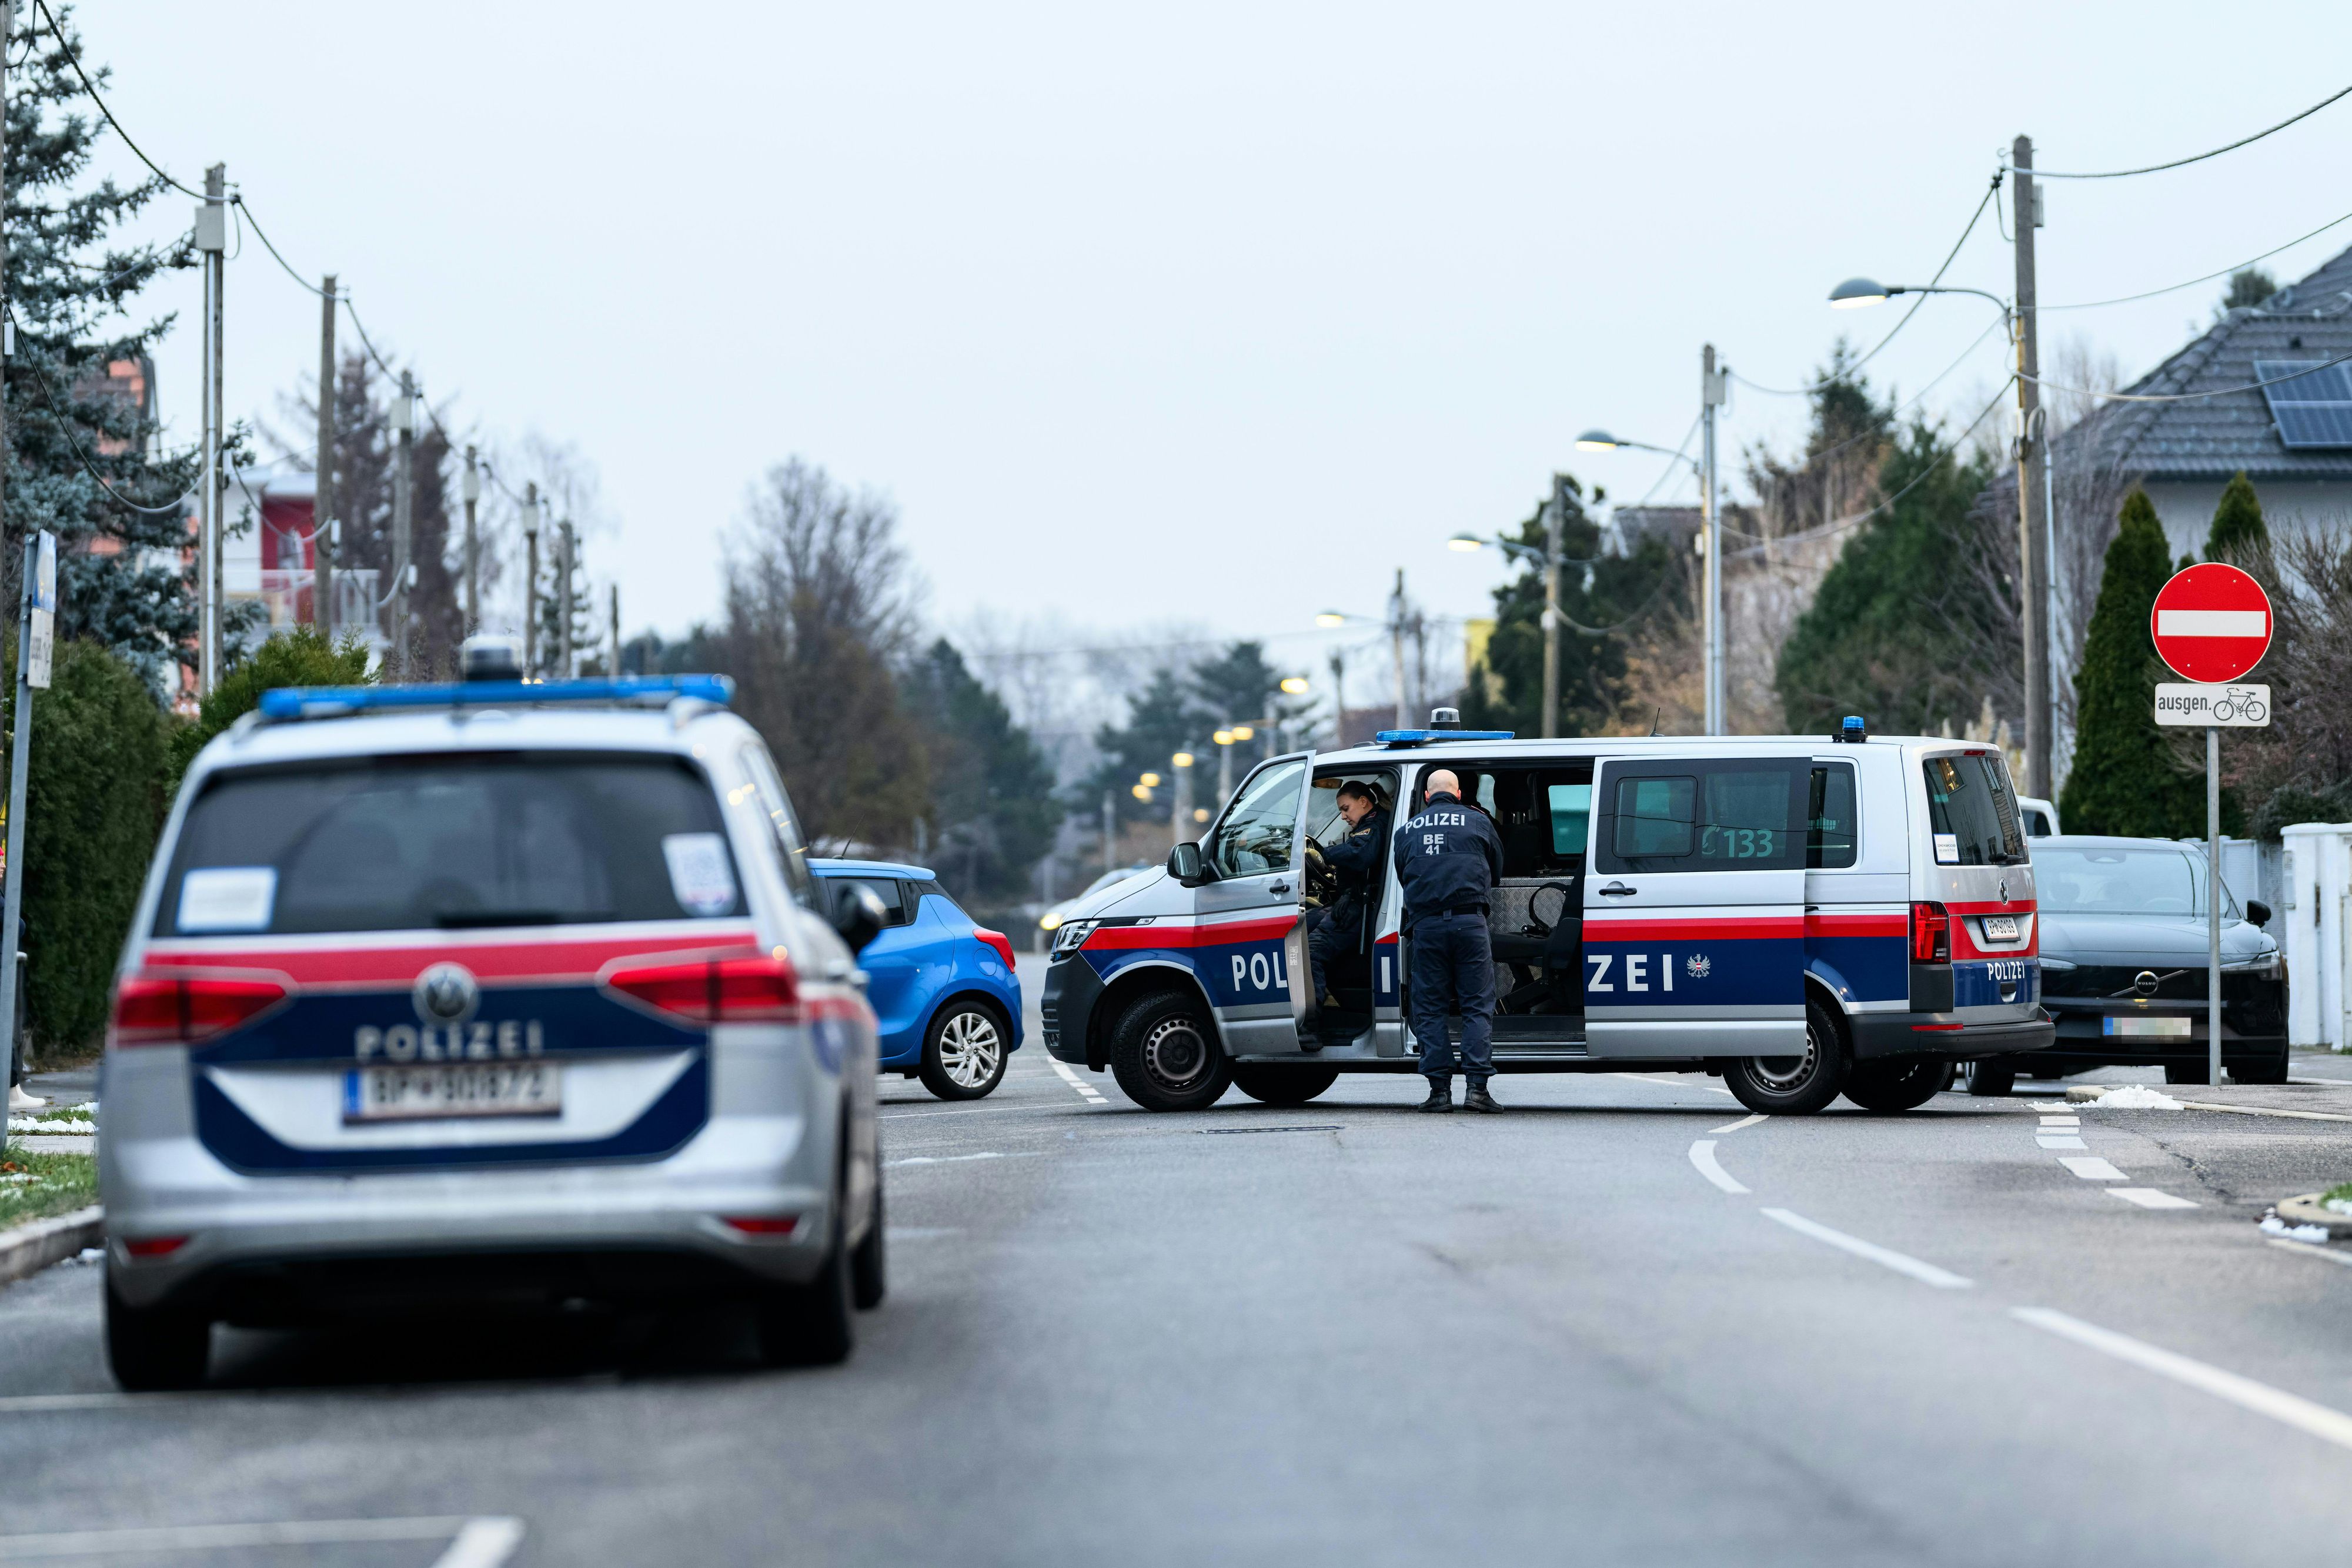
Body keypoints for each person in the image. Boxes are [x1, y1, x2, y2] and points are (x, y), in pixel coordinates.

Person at [1392, 768, 1504, 1113]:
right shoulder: (1479, 821)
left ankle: (1439, 1092)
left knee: (1430, 1008)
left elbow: (1403, 875)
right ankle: (1477, 1090)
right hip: (1470, 924)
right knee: (1476, 1006)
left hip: (1426, 928)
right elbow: (1497, 870)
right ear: (1458, 794)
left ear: (1427, 796)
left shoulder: (1405, 831)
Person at [1305, 781, 1389, 1038]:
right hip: (1353, 902)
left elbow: (1360, 855)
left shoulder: (1374, 825)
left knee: (1309, 951)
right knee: (1298, 929)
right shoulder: (1369, 824)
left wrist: (1325, 854)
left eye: (1346, 808)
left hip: (1361, 908)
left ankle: (1311, 1024)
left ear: (1363, 802)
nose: (1343, 816)